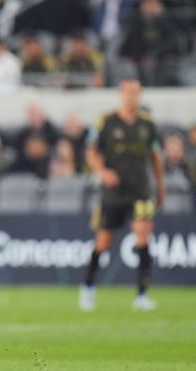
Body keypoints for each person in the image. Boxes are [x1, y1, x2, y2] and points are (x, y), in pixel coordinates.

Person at [80, 78, 164, 312]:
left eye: (135, 92)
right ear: (120, 94)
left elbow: (155, 157)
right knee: (103, 242)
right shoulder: (106, 122)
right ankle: (88, 287)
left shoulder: (148, 124)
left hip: (141, 191)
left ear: (140, 94)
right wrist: (102, 172)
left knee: (143, 236)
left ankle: (142, 294)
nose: (131, 96)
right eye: (128, 92)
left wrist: (160, 187)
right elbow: (91, 153)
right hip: (114, 193)